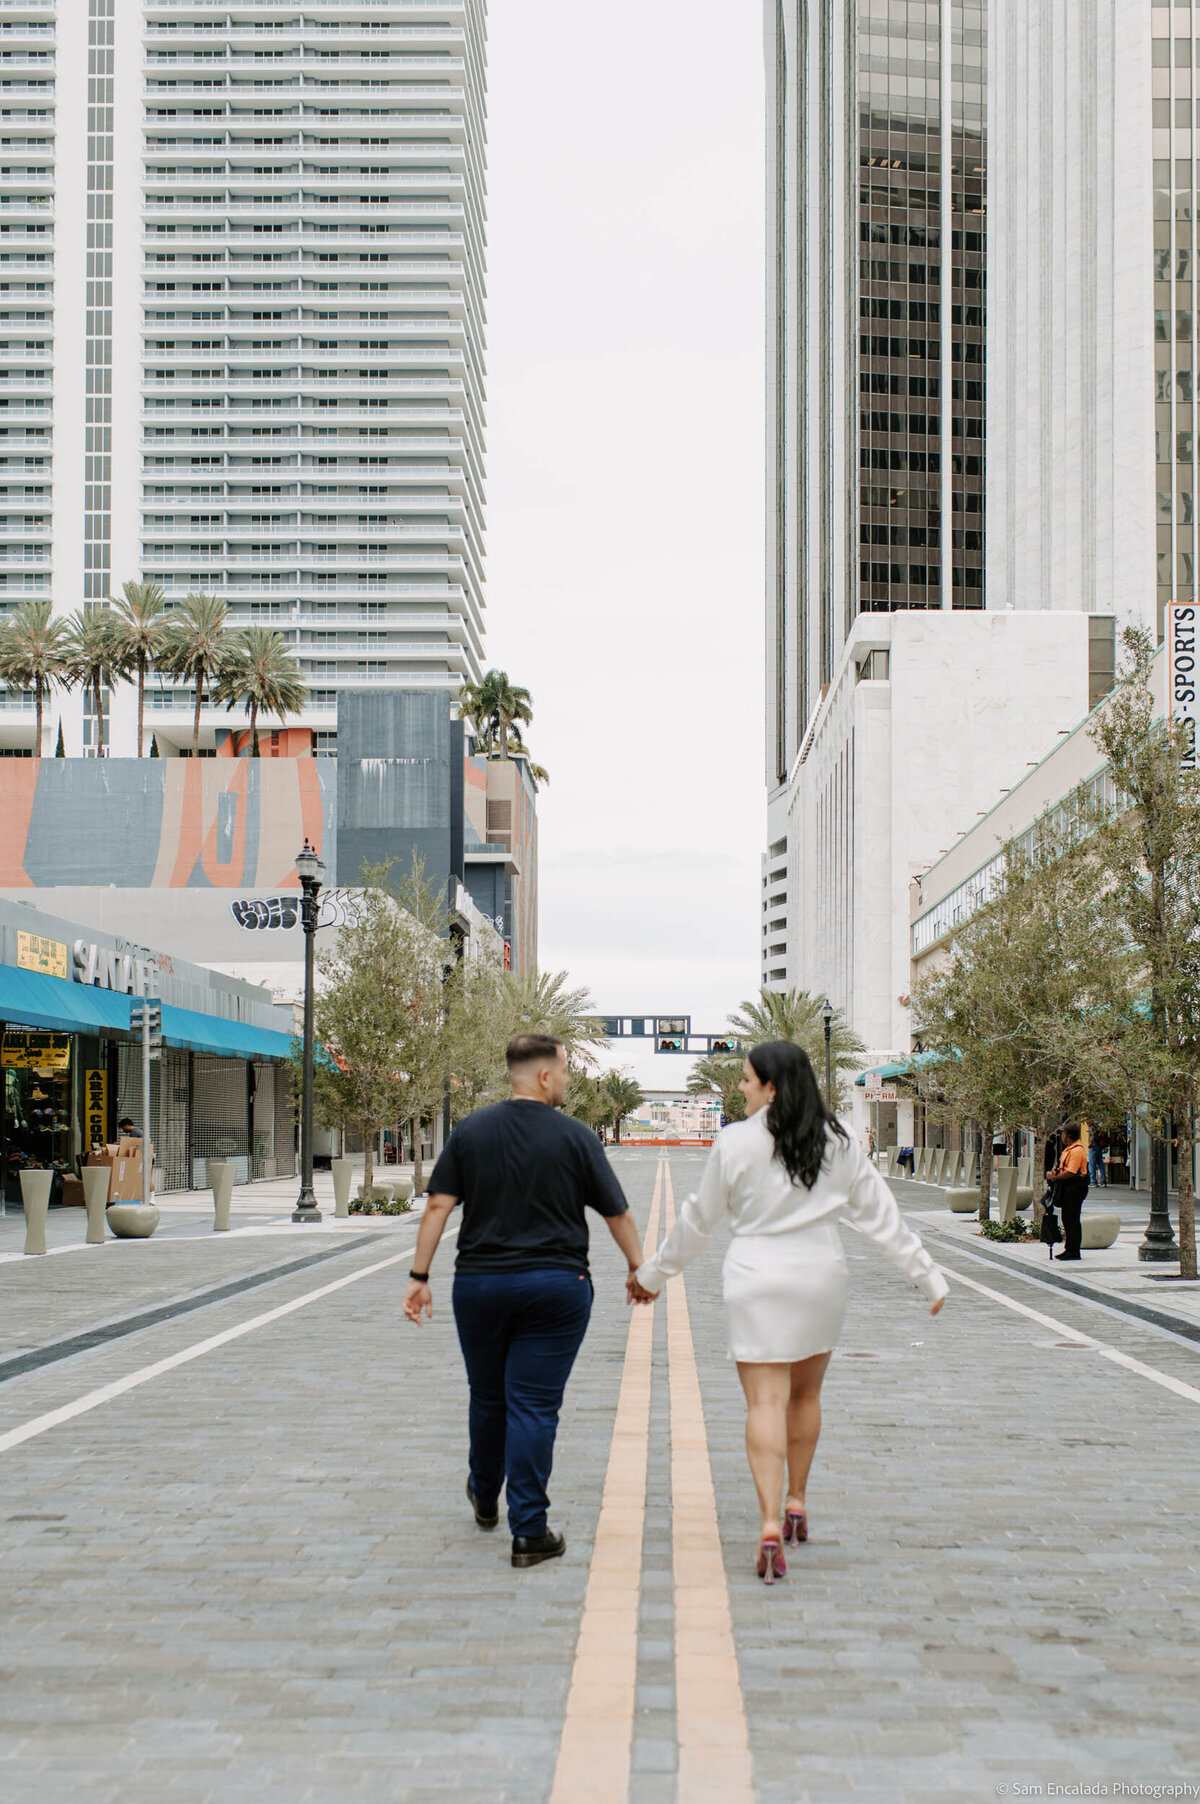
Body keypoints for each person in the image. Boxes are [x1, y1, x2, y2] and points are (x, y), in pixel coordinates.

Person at [630, 1042, 948, 1586]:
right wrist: (927, 1275)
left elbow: (699, 1222)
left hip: (756, 1278)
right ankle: (797, 1499)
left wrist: (652, 1275)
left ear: (772, 1086)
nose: (741, 1088)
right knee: (806, 1396)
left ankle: (770, 1522)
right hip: (820, 1275)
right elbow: (880, 1216)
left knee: (765, 1401)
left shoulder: (734, 1143)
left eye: (748, 1080)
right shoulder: (840, 1142)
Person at [402, 1033, 646, 1570]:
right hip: (555, 1289)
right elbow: (617, 1215)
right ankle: (529, 1531)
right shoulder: (576, 1137)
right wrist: (638, 1269)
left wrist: (420, 1275)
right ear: (542, 1076)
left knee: (488, 1396)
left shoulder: (471, 1130)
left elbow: (439, 1205)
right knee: (534, 1405)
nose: (566, 1081)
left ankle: (485, 1494)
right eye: (563, 1072)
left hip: (480, 1287)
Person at [1048, 1122, 1089, 1261]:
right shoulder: (1069, 1149)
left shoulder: (1077, 1150)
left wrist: (1054, 1177)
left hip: (1074, 1187)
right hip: (1068, 1187)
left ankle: (1074, 1251)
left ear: (1068, 1135)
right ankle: (1069, 1248)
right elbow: (1064, 1167)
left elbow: (1071, 1172)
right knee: (1067, 1218)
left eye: (1063, 1134)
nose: (1062, 1136)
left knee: (1072, 1219)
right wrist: (1057, 1171)